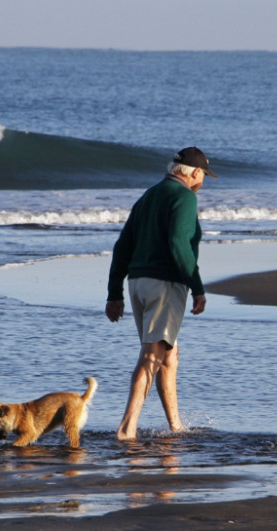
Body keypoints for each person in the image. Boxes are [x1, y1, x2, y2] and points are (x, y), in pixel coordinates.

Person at [106, 147, 216, 441]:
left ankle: (175, 425)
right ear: (194, 173)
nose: (203, 182)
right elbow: (179, 245)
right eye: (203, 175)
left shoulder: (149, 195)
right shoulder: (184, 197)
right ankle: (127, 428)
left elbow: (122, 246)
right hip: (165, 284)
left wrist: (114, 292)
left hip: (138, 283)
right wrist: (197, 287)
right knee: (151, 355)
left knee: (169, 353)